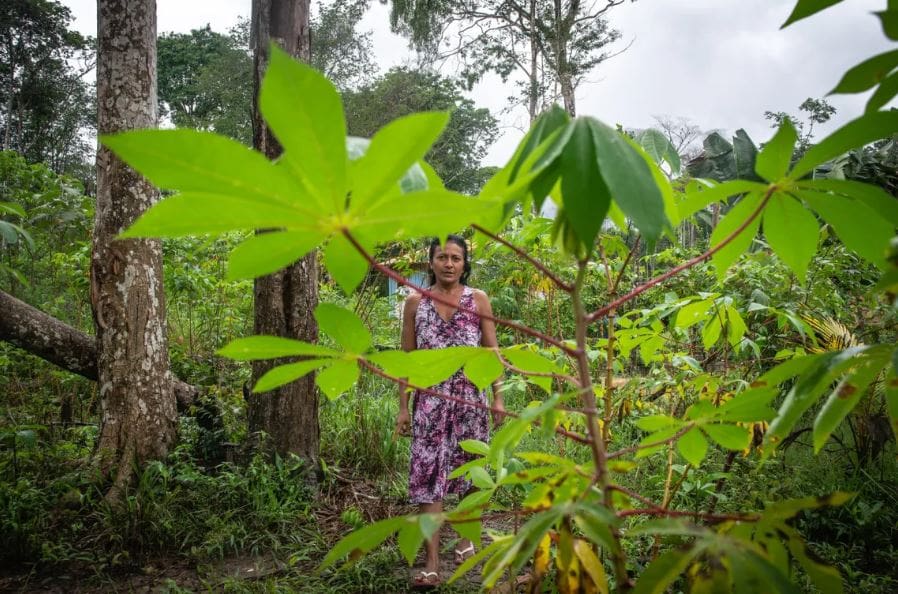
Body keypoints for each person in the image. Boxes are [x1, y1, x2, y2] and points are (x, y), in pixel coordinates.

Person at [395, 234, 505, 588]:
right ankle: (431, 562)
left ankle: (466, 537)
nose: (448, 264)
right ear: (431, 262)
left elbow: (491, 351)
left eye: (456, 258)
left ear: (464, 263)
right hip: (429, 404)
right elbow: (406, 360)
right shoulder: (415, 303)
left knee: (470, 473)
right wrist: (403, 407)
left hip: (471, 401)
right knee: (429, 480)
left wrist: (498, 396)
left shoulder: (478, 300)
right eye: (442, 257)